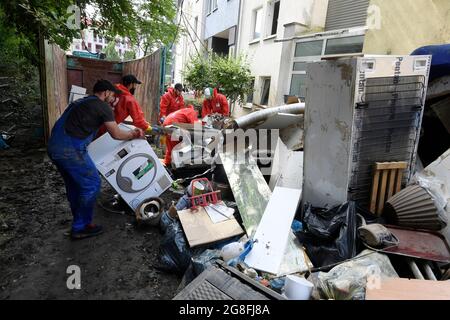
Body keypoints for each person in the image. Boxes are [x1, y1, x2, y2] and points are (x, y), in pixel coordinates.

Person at [47, 80, 144, 240]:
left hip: (54, 147)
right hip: (70, 149)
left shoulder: (82, 101)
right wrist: (134, 134)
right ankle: (80, 227)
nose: (113, 99)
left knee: (74, 185)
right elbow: (117, 134)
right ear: (106, 92)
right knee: (92, 183)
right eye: (112, 95)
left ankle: (81, 222)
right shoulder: (102, 106)